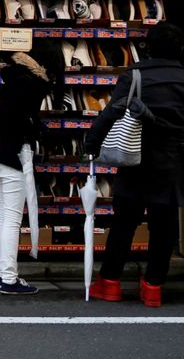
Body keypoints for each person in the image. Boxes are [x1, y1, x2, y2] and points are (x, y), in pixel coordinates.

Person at [85, 22, 184, 307]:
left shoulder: (135, 76)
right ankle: (153, 285)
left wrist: (92, 143)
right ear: (180, 48)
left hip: (134, 158)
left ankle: (111, 282)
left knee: (124, 224)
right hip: (171, 163)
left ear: (148, 47)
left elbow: (113, 112)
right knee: (164, 227)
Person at [0, 44, 59, 294]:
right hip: (14, 154)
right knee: (12, 219)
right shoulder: (31, 84)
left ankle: (4, 274)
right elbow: (17, 118)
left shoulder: (13, 77)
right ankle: (8, 278)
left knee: (4, 217)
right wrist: (34, 128)